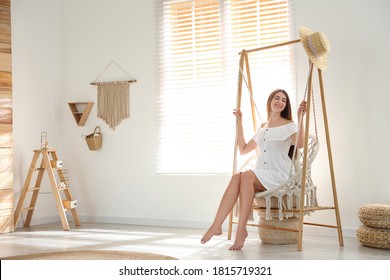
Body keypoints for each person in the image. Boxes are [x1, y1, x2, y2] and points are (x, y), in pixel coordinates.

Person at [201, 89, 307, 250]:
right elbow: (243, 149)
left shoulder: (289, 125)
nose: (279, 102)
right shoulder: (263, 127)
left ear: (286, 105)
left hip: (279, 174)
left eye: (284, 100)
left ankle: (241, 230)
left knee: (246, 176)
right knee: (237, 176)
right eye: (276, 98)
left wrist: (301, 119)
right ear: (270, 101)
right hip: (261, 174)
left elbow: (299, 145)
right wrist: (240, 123)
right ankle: (217, 225)